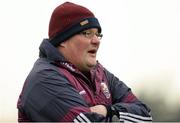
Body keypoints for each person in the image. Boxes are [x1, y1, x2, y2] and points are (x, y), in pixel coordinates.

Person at [17, 1, 152, 122]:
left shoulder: (101, 74)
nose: (96, 41)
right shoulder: (45, 79)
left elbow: (145, 115)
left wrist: (108, 111)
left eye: (98, 34)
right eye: (87, 33)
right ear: (63, 40)